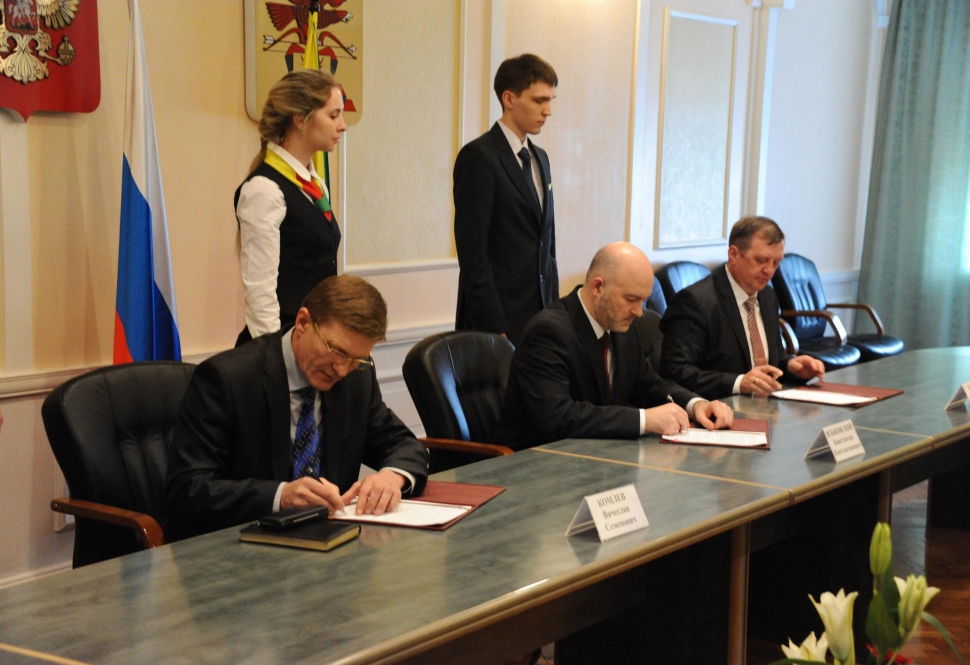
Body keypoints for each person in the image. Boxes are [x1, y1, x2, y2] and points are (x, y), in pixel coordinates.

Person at [166, 275, 428, 541]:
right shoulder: (227, 379)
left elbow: (404, 444)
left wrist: (392, 476)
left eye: (356, 359)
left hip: (332, 544)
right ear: (303, 322)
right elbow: (187, 490)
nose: (341, 370)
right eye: (336, 351)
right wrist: (280, 496)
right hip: (241, 546)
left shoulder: (356, 378)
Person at [494, 242, 733, 451]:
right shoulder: (549, 332)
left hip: (595, 456)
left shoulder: (620, 325)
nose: (639, 312)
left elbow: (647, 384)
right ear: (598, 287)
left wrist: (696, 404)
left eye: (643, 300)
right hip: (535, 462)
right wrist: (644, 419)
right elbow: (558, 417)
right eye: (631, 299)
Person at [658, 216, 826, 401]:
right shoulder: (695, 301)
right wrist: (738, 383)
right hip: (718, 407)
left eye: (776, 262)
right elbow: (674, 370)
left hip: (766, 406)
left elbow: (772, 356)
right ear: (734, 254)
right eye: (761, 260)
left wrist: (791, 365)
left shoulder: (767, 295)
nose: (769, 270)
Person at [235, 70, 346, 346]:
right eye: (334, 115)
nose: (342, 125)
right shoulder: (264, 189)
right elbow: (261, 296)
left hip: (316, 338)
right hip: (283, 344)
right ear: (300, 119)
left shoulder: (314, 184)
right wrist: (275, 357)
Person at [454, 54, 559, 346]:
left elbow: (547, 246)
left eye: (550, 100)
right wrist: (494, 327)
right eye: (539, 100)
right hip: (497, 323)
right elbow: (473, 255)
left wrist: (554, 314)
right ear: (509, 99)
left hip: (540, 318)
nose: (548, 111)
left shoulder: (541, 158)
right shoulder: (479, 157)